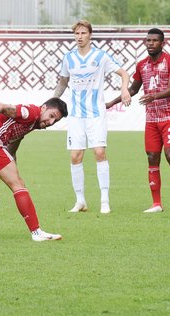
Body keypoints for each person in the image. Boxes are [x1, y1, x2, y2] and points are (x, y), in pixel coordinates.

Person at [0, 98, 68, 241]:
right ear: (43, 108)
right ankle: (36, 232)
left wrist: (11, 162)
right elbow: (0, 106)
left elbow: (15, 141)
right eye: (51, 116)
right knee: (18, 185)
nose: (50, 122)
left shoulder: (32, 123)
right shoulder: (31, 112)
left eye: (55, 121)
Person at [107, 28, 170, 213]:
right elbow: (134, 89)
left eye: (154, 40)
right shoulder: (142, 65)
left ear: (163, 43)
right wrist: (112, 102)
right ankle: (156, 204)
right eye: (148, 40)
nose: (150, 43)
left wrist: (153, 96)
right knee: (152, 157)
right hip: (151, 119)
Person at [53, 19, 131, 214]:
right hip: (76, 115)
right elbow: (63, 82)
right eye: (76, 34)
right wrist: (51, 101)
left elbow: (124, 73)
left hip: (96, 113)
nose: (79, 37)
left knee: (99, 153)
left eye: (83, 33)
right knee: (75, 156)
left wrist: (124, 90)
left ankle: (104, 200)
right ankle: (80, 201)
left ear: (90, 35)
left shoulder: (101, 56)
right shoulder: (68, 58)